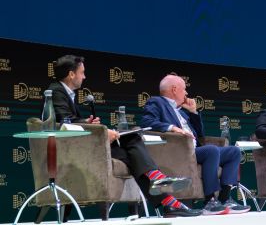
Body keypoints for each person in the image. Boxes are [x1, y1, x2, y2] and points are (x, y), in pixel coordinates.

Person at [48, 55, 201, 217]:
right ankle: (165, 192)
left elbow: (68, 120)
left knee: (135, 156)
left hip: (84, 145)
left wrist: (87, 122)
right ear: (71, 74)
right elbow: (64, 122)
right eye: (82, 72)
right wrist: (101, 131)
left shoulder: (64, 93)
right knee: (132, 141)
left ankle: (169, 201)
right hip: (73, 151)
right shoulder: (56, 91)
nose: (84, 76)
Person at [140, 74, 250, 215]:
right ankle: (209, 201)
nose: (186, 93)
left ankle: (225, 198)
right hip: (179, 151)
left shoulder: (183, 113)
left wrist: (193, 112)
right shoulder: (157, 102)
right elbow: (146, 122)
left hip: (196, 151)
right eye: (184, 89)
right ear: (174, 89)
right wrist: (172, 128)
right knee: (211, 151)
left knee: (233, 151)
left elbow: (200, 135)